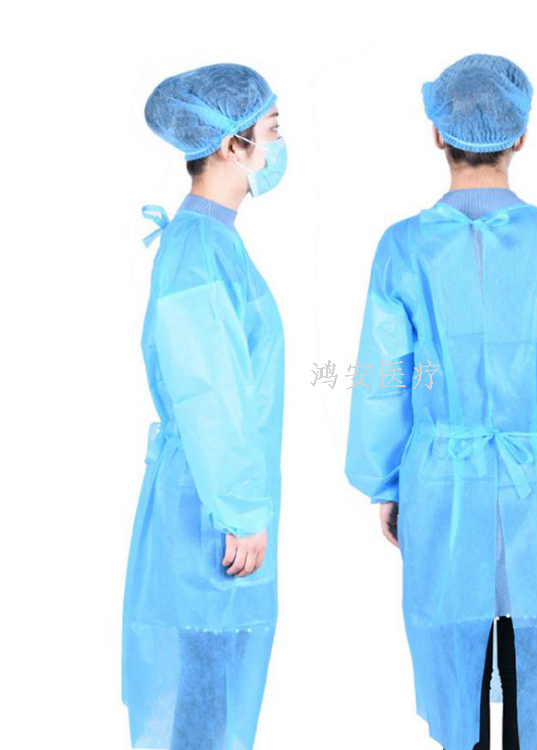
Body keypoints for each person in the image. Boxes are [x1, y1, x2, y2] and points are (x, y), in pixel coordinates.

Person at [345, 53, 537, 750]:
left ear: (438, 134)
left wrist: (387, 483)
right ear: (521, 135)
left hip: (441, 481)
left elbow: (385, 378)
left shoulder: (403, 247)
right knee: (536, 635)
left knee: (454, 641)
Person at [121, 62, 287, 750]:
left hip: (212, 498)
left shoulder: (213, 240)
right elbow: (208, 390)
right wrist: (241, 509)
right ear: (230, 145)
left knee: (212, 693)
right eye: (271, 129)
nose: (279, 144)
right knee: (203, 693)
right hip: (209, 509)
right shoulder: (197, 248)